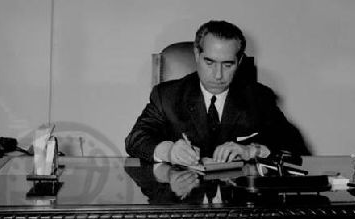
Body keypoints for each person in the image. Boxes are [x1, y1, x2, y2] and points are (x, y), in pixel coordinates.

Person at [125, 20, 310, 166]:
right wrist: (169, 151)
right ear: (197, 55)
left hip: (239, 205)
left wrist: (252, 150)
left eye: (227, 64)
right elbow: (136, 139)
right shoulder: (167, 96)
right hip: (183, 201)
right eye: (209, 62)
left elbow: (294, 146)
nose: (218, 75)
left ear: (239, 62)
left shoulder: (259, 97)